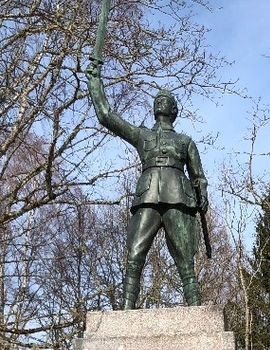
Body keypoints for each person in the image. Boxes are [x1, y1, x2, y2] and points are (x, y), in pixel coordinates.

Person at [86, 61, 209, 309]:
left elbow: (198, 176)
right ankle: (126, 309)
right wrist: (94, 83)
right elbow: (106, 116)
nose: (160, 100)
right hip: (147, 197)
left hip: (179, 198)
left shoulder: (185, 142)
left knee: (186, 262)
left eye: (166, 99)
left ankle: (196, 310)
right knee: (134, 255)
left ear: (174, 110)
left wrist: (202, 192)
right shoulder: (142, 135)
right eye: (157, 98)